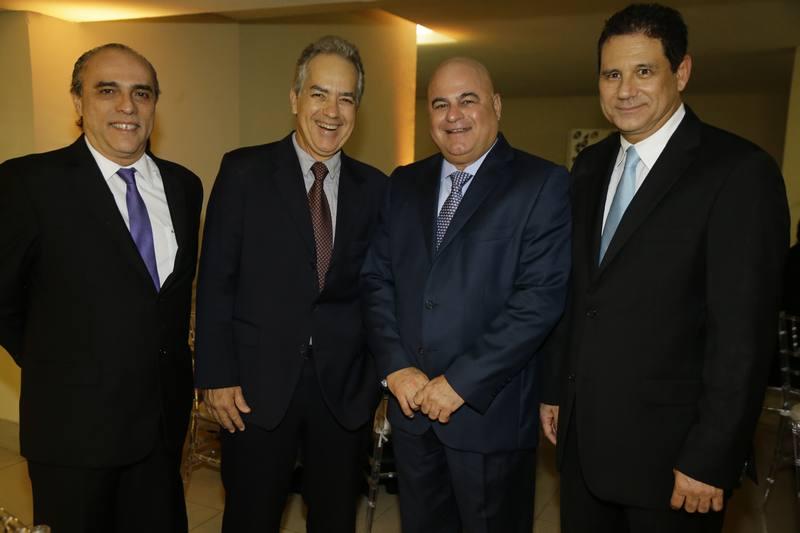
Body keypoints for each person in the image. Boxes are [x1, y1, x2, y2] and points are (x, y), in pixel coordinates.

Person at [539, 4, 789, 532]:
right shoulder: (589, 167)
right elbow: (580, 293)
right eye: (611, 74)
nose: (625, 90)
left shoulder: (739, 172)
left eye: (643, 71)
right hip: (584, 446)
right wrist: (557, 389)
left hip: (674, 460)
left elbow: (742, 335)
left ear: (682, 72)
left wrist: (711, 456)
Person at [362, 57, 571, 532]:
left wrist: (459, 383)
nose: (453, 115)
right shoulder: (403, 183)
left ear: (495, 105)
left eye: (467, 100)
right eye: (440, 104)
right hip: (413, 413)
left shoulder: (541, 183)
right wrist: (396, 367)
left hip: (488, 418)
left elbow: (538, 299)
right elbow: (376, 281)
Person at [0, 43, 203, 532]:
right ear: (78, 101)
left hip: (161, 430)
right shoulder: (29, 182)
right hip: (74, 431)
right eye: (107, 91)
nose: (127, 106)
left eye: (141, 93)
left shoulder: (184, 186)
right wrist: (60, 365)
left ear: (155, 104)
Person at [194, 35, 387, 532]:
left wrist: (373, 384)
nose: (332, 111)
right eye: (319, 94)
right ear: (295, 98)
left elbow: (380, 291)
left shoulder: (376, 189)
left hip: (343, 394)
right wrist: (215, 375)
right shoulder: (243, 171)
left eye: (346, 98)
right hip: (253, 390)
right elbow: (215, 280)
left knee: (334, 520)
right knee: (250, 518)